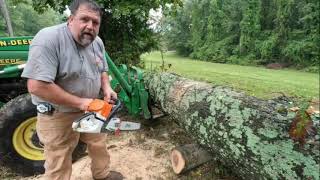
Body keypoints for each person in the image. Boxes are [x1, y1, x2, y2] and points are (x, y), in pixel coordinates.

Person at [21, 0, 123, 179]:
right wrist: (83, 102)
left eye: (95, 22)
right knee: (58, 159)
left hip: (92, 108)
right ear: (71, 19)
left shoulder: (97, 42)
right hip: (57, 113)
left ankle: (102, 174)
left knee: (99, 144)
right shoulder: (48, 39)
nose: (90, 26)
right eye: (84, 19)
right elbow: (36, 86)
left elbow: (102, 69)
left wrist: (107, 88)